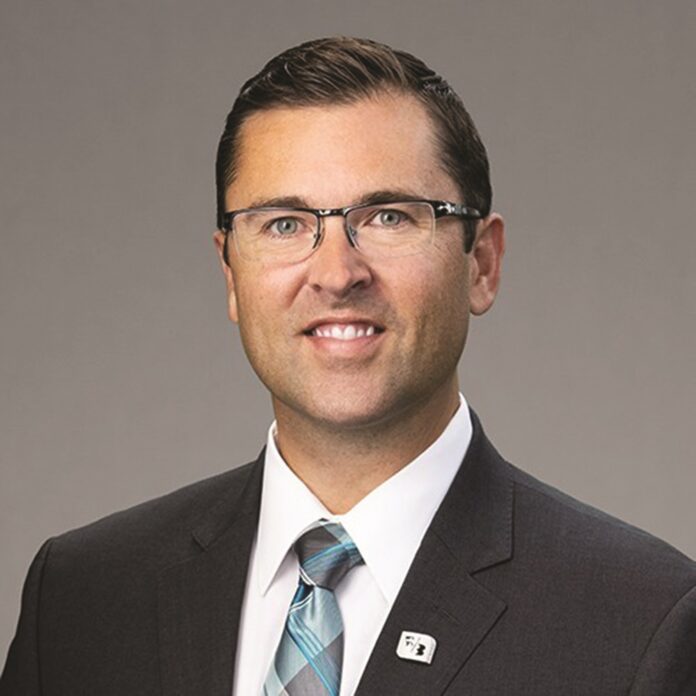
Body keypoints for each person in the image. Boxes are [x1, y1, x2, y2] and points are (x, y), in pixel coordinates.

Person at [2, 36, 695, 696]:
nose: (337, 274)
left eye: (389, 217)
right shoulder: (81, 598)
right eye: (284, 223)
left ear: (481, 264)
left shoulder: (640, 622)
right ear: (231, 274)